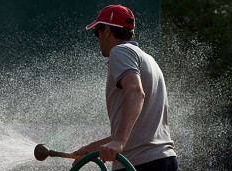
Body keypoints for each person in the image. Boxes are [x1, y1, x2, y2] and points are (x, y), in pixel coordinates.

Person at [72, 4, 177, 171]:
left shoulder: (120, 51)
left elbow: (135, 92)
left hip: (139, 163)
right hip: (163, 160)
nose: (97, 39)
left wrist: (119, 141)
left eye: (96, 32)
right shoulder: (149, 60)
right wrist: (91, 148)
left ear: (107, 30)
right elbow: (139, 133)